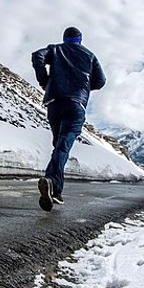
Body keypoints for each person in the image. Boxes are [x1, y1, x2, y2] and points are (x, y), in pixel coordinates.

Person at [31, 27, 106, 211]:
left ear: (64, 39)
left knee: (59, 147)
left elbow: (37, 56)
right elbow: (101, 81)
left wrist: (44, 80)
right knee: (63, 147)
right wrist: (84, 86)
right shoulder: (90, 56)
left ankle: (55, 191)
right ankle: (50, 181)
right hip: (75, 105)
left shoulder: (55, 49)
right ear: (80, 40)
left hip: (54, 103)